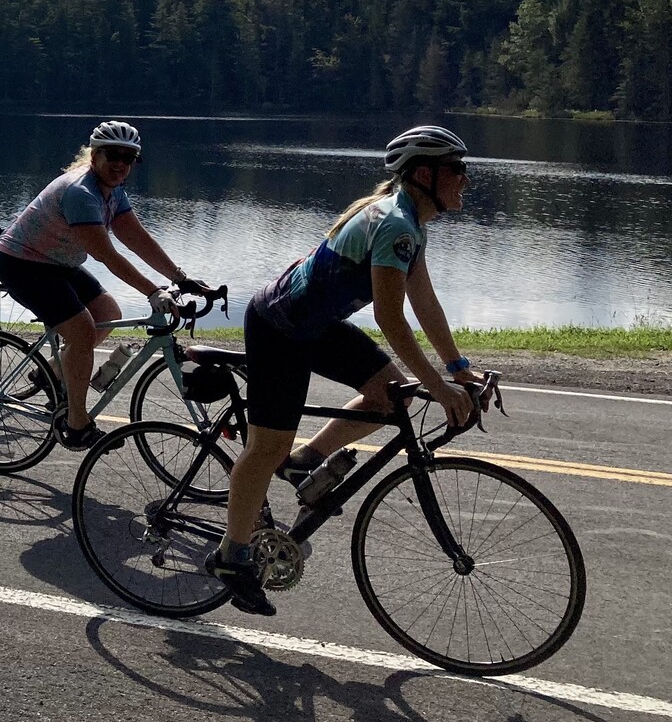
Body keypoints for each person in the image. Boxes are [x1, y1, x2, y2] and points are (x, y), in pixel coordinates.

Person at [206, 124, 484, 616]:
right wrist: (441, 387)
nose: (465, 178)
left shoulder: (409, 223)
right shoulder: (397, 224)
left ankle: (304, 460)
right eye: (457, 170)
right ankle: (232, 555)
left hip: (315, 326)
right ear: (425, 173)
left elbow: (424, 301)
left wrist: (457, 368)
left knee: (389, 394)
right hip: (279, 328)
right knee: (265, 446)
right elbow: (391, 319)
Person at [0, 121, 211, 449]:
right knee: (81, 331)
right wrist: (153, 291)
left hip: (57, 263)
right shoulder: (80, 192)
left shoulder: (112, 190)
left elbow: (135, 236)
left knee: (108, 311)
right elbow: (108, 255)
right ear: (95, 156)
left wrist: (178, 277)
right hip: (22, 264)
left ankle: (51, 371)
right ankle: (76, 424)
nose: (121, 163)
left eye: (129, 158)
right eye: (113, 155)